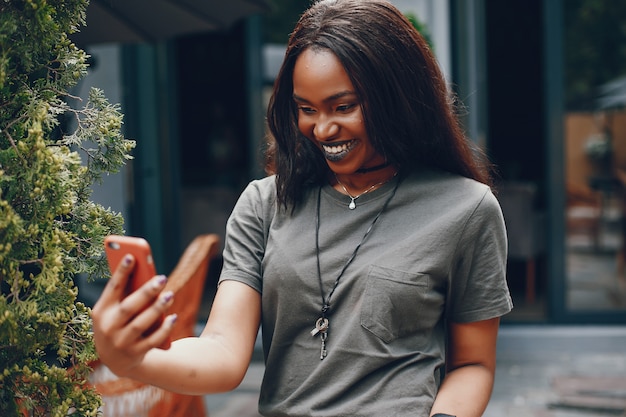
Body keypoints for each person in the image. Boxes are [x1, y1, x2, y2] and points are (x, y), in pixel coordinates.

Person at [91, 1, 513, 416]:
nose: (323, 129)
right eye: (306, 109)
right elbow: (221, 352)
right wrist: (131, 360)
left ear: (397, 96)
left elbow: (472, 364)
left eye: (343, 107)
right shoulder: (264, 204)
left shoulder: (466, 209)